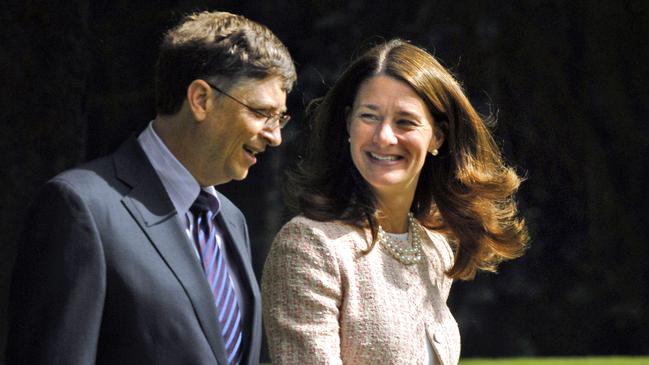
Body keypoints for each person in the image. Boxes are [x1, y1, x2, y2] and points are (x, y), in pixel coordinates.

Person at [6, 11, 296, 365]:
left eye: (279, 118)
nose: (275, 136)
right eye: (261, 112)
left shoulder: (230, 220)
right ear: (201, 99)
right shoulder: (82, 207)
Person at [262, 39, 528, 365]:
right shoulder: (309, 245)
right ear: (348, 124)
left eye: (405, 121)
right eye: (369, 116)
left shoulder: (434, 249)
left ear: (437, 137)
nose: (384, 136)